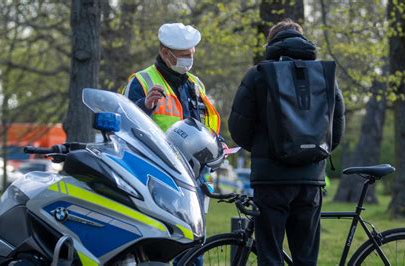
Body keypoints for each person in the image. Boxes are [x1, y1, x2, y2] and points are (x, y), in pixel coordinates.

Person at [228, 19, 345, 265]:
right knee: (306, 257)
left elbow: (238, 127)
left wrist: (264, 148)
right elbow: (336, 128)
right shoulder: (324, 76)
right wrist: (312, 152)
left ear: (272, 43)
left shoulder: (259, 74)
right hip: (310, 179)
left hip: (271, 179)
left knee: (270, 254)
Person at [123, 23, 220, 135]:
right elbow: (126, 123)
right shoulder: (141, 81)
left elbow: (203, 125)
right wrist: (145, 105)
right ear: (165, 53)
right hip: (155, 152)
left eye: (191, 54)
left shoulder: (196, 84)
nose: (190, 59)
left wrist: (216, 142)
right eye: (184, 55)